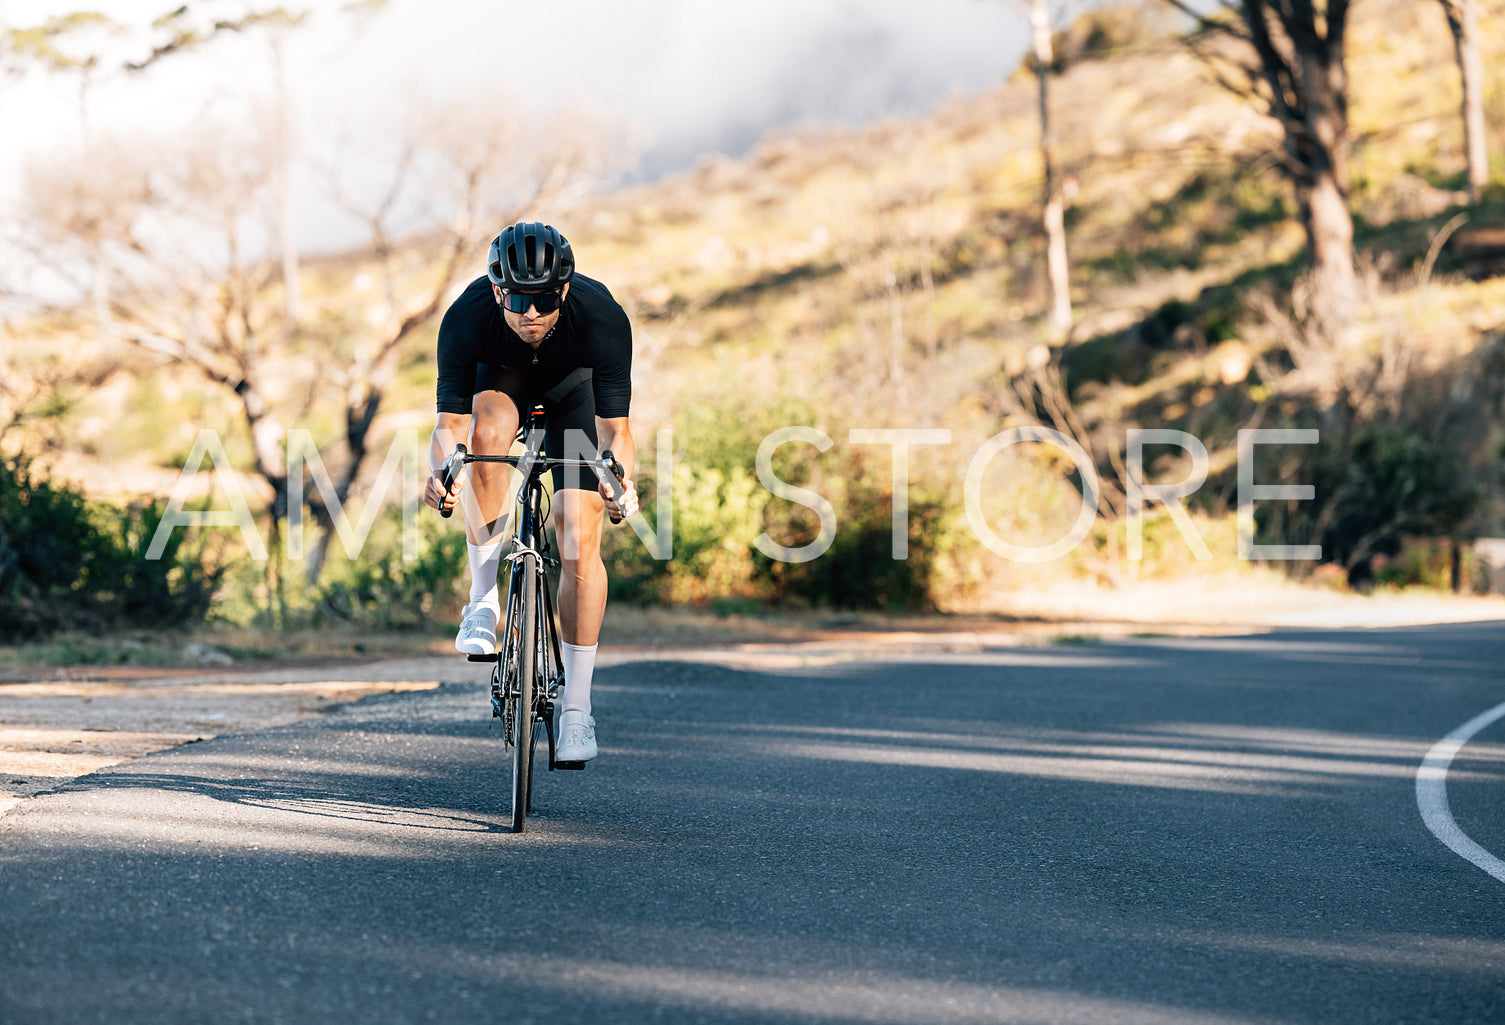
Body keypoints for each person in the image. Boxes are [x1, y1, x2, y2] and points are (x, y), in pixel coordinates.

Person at [422, 221, 638, 763]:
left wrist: (620, 483)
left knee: (575, 533)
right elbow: (447, 427)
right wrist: (442, 472)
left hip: (574, 395)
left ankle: (578, 712)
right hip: (502, 382)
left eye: (544, 300)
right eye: (518, 299)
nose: (531, 313)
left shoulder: (602, 316)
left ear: (564, 290)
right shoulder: (467, 317)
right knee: (485, 436)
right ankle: (482, 600)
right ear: (498, 291)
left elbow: (617, 433)